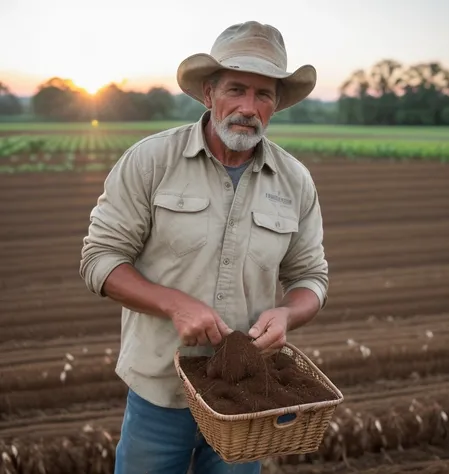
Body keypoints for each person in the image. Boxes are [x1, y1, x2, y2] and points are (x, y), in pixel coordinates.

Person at [79, 20, 328, 474]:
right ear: (209, 94)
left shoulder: (295, 181)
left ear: (276, 105)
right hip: (159, 394)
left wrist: (288, 314)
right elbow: (100, 260)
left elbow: (311, 277)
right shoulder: (152, 160)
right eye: (236, 89)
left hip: (249, 401)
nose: (248, 107)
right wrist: (174, 305)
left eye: (264, 94)